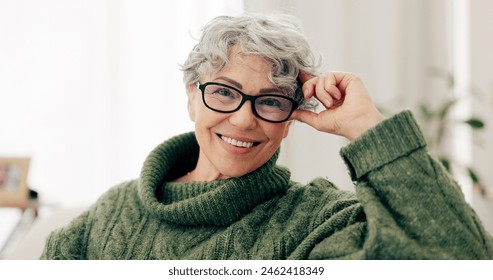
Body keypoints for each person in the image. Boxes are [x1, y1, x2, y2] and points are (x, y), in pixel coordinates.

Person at [41, 14, 493, 260]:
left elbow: (463, 261)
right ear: (192, 98)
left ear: (293, 115)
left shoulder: (317, 223)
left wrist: (365, 128)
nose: (242, 120)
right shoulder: (108, 217)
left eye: (271, 101)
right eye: (224, 92)